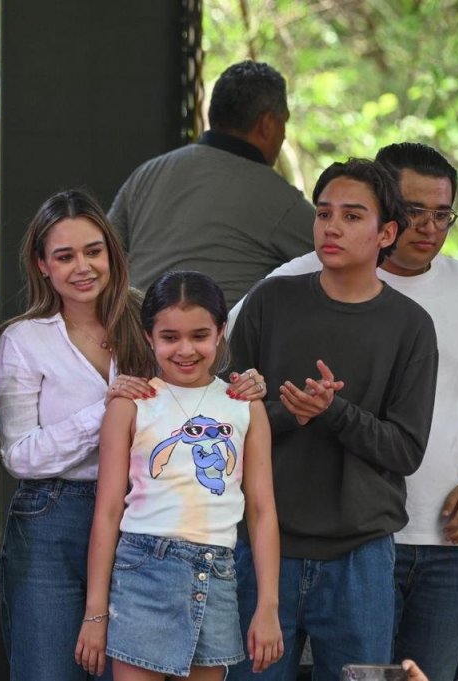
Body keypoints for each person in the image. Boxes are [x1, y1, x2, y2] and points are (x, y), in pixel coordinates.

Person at [0, 191, 268, 681]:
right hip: (53, 514)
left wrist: (245, 385)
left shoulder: (146, 315)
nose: (83, 267)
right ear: (42, 265)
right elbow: (19, 456)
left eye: (93, 251)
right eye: (65, 256)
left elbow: (191, 383)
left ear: (112, 252)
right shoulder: (25, 338)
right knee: (47, 668)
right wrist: (105, 411)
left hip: (145, 518)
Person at [227, 143, 458, 681]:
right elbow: (225, 416)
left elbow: (405, 449)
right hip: (265, 543)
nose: (332, 227)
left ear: (385, 232)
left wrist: (333, 411)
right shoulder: (272, 298)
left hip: (368, 552)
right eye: (324, 214)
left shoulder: (412, 324)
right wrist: (292, 413)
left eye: (352, 216)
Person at [75, 270, 282, 680]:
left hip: (217, 575)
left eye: (199, 335)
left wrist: (268, 606)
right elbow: (108, 512)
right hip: (142, 572)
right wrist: (95, 613)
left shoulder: (244, 405)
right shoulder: (131, 403)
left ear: (220, 332)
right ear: (149, 336)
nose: (185, 350)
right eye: (170, 337)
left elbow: (262, 511)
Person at [107, 60, 314, 307]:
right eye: (284, 122)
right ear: (267, 124)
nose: (284, 134)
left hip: (133, 325)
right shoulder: (280, 201)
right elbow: (346, 255)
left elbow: (101, 250)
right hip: (213, 331)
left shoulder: (147, 174)